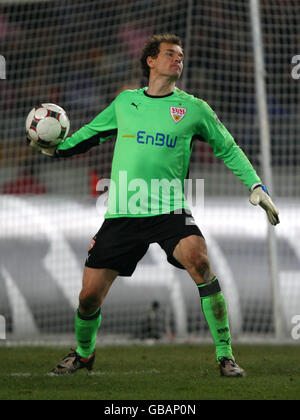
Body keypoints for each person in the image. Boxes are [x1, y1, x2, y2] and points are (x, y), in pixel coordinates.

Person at [28, 34, 279, 377]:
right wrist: (57, 148)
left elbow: (228, 147)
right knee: (88, 298)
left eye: (181, 55)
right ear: (150, 61)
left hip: (169, 210)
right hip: (123, 212)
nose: (178, 59)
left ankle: (225, 356)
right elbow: (89, 134)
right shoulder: (125, 102)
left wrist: (256, 184)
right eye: (170, 54)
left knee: (200, 262)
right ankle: (84, 354)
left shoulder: (194, 108)